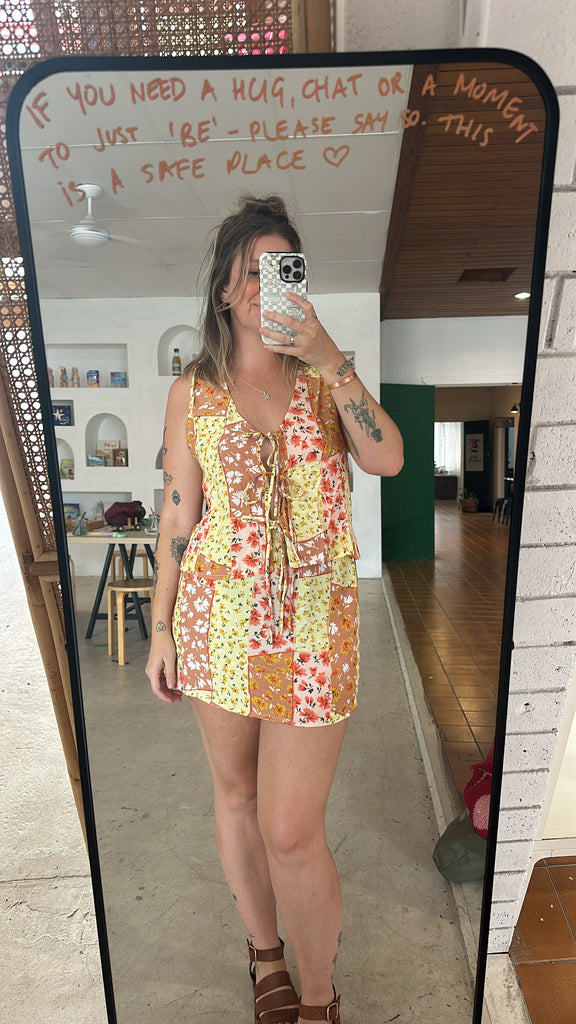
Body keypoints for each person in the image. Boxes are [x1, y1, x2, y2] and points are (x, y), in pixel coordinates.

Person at [146, 195, 403, 1024]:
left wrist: (330, 357)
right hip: (218, 623)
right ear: (224, 289)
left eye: (282, 268)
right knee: (238, 800)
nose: (265, 284)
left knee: (292, 829)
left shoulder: (327, 380)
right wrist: (161, 628)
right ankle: (265, 956)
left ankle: (321, 995)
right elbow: (179, 513)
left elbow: (388, 459)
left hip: (316, 628)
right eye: (249, 271)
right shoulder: (193, 392)